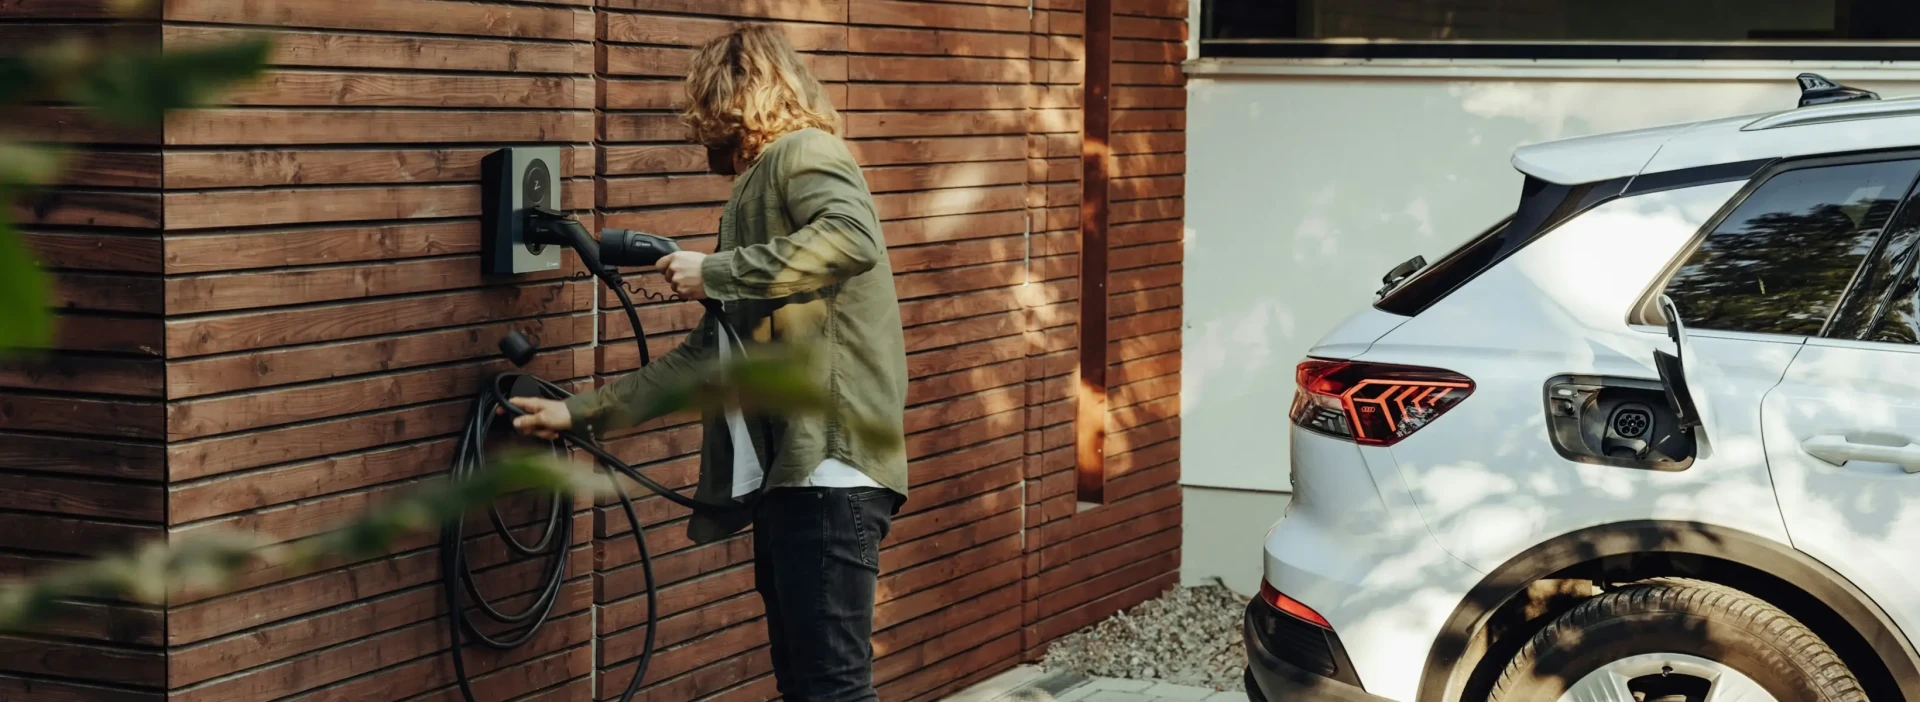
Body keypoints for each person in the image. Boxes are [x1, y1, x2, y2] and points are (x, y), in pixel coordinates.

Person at [504, 24, 909, 702]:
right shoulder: (758, 187)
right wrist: (576, 413)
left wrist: (715, 270)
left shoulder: (805, 151)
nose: (700, 132)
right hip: (795, 478)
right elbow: (707, 359)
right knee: (808, 688)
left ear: (732, 96)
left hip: (830, 473)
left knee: (833, 691)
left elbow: (851, 238)